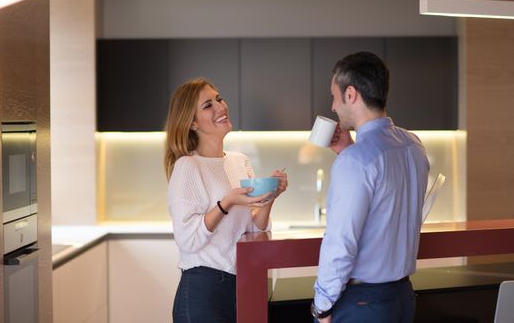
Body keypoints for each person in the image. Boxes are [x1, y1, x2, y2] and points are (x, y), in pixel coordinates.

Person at [311, 52, 430, 323]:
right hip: (401, 298)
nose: (332, 106)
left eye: (334, 96)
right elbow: (384, 205)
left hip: (362, 305)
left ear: (350, 94)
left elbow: (341, 242)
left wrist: (322, 306)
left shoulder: (356, 161)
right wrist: (348, 150)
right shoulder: (413, 145)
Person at [164, 78, 288, 323]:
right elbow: (187, 239)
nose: (220, 106)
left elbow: (253, 230)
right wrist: (226, 203)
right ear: (192, 123)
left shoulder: (239, 161)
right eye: (208, 105)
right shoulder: (188, 167)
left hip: (242, 284)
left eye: (219, 99)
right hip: (203, 289)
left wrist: (270, 198)